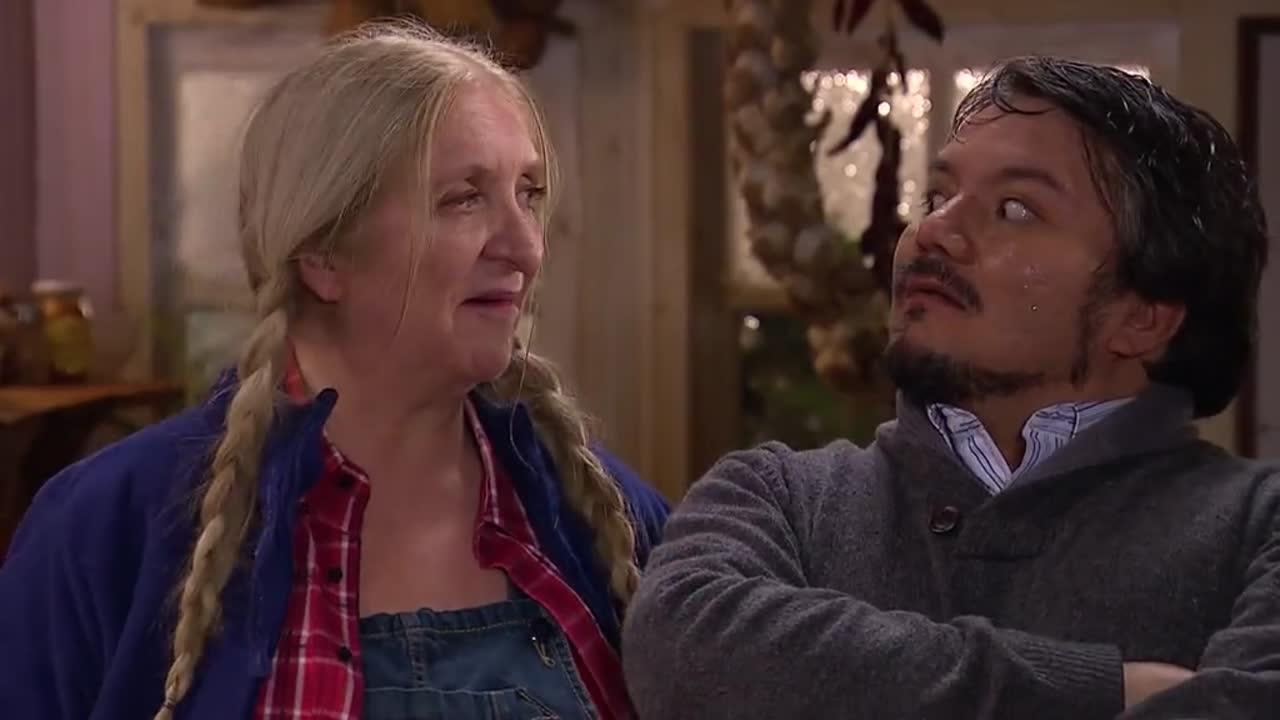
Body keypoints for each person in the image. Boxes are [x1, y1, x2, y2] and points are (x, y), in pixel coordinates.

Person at [0, 22, 668, 720]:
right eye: (463, 199)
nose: (526, 247)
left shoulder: (605, 519)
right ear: (322, 255)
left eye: (528, 193)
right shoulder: (107, 531)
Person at [622, 56, 1278, 719]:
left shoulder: (1261, 528)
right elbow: (680, 657)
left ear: (1142, 318)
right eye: (936, 198)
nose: (931, 233)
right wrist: (1101, 690)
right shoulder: (779, 499)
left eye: (1016, 209)